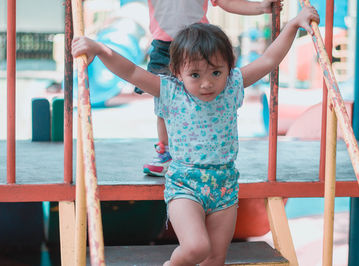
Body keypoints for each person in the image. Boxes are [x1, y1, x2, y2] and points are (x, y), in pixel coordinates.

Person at [71, 5, 319, 265]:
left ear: (228, 68)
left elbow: (269, 59)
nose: (206, 83)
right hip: (185, 185)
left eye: (216, 72)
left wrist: (292, 25)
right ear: (178, 72)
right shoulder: (171, 91)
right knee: (196, 247)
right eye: (195, 74)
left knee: (216, 258)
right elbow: (132, 71)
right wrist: (100, 49)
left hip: (224, 186)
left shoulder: (232, 85)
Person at [140, 0, 283, 177]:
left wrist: (260, 7)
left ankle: (208, 149)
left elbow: (227, 2)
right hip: (164, 46)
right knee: (164, 103)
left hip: (198, 45)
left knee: (207, 98)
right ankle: (166, 151)